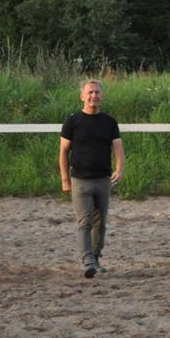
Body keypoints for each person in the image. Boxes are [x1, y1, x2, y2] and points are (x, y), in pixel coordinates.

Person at [59, 79, 125, 278]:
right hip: (80, 180)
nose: (93, 96)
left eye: (96, 92)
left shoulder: (109, 122)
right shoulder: (72, 122)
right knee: (84, 221)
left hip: (103, 180)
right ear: (82, 96)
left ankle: (95, 258)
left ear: (101, 96)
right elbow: (63, 152)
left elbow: (118, 149)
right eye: (90, 93)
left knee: (100, 223)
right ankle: (87, 260)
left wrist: (119, 169)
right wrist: (65, 179)